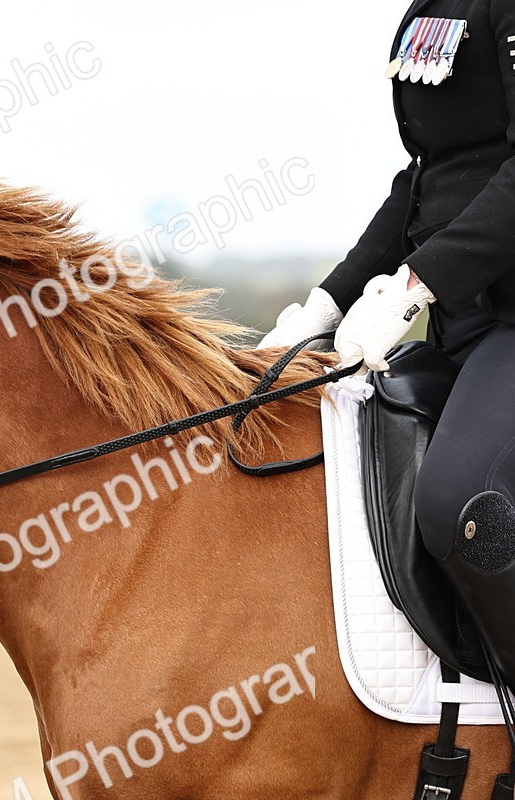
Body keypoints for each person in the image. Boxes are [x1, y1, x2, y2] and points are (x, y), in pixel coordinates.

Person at [259, 0, 515, 687]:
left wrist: (417, 282)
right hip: (461, 319)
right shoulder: (430, 8)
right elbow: (427, 182)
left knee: (457, 498)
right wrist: (327, 301)